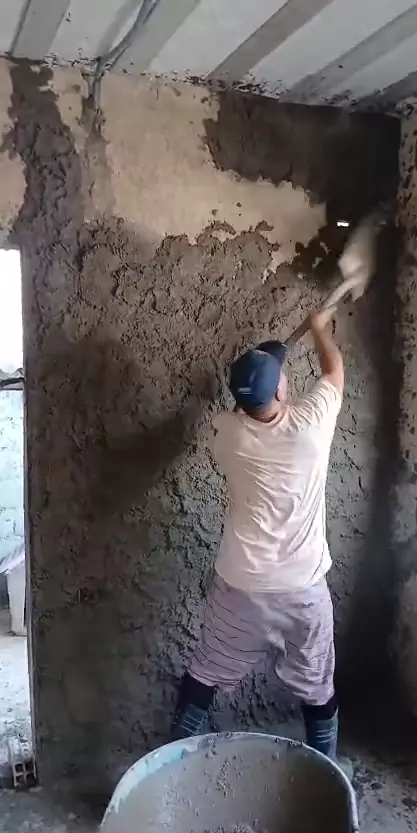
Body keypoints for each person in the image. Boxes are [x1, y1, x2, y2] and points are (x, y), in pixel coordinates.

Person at [171, 307, 344, 759]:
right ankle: (326, 767)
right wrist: (320, 329)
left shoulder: (227, 436)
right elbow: (334, 372)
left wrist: (264, 373)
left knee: (205, 673)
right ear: (282, 391)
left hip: (241, 586)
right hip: (302, 588)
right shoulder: (311, 425)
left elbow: (246, 407)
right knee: (317, 684)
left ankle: (172, 761)